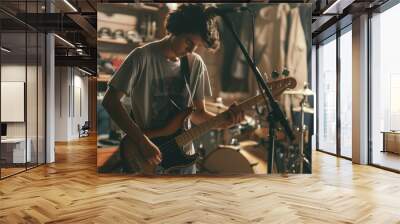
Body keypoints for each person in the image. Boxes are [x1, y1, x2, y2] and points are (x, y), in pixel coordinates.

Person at [102, 4, 244, 174]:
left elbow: (198, 114)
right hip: (147, 155)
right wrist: (141, 141)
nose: (191, 50)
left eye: (196, 46)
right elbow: (110, 101)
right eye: (188, 42)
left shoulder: (195, 63)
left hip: (183, 159)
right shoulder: (141, 57)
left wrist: (225, 120)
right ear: (176, 29)